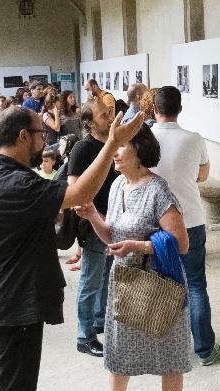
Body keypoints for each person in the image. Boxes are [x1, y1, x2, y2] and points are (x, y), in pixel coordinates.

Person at [0, 106, 145, 391]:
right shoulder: (14, 182)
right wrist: (111, 144)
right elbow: (79, 195)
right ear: (22, 136)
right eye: (40, 135)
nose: (43, 142)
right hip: (10, 307)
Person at [75, 123, 190, 391]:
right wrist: (92, 214)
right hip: (124, 281)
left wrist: (137, 247)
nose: (114, 153)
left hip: (157, 284)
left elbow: (180, 243)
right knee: (117, 352)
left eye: (120, 147)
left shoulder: (158, 190)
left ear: (139, 152)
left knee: (168, 355)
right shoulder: (116, 186)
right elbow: (112, 237)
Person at [151, 86, 220, 366]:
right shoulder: (194, 139)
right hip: (190, 219)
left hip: (155, 223)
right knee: (195, 285)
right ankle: (204, 349)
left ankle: (166, 349)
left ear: (154, 109)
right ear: (179, 109)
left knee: (159, 285)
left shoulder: (144, 138)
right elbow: (202, 175)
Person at [67, 98, 121, 357]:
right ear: (88, 123)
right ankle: (84, 335)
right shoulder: (82, 148)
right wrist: (98, 217)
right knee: (91, 281)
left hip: (114, 223)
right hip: (94, 224)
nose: (109, 117)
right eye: (103, 115)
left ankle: (100, 322)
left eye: (109, 112)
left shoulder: (114, 145)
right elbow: (75, 189)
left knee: (108, 278)